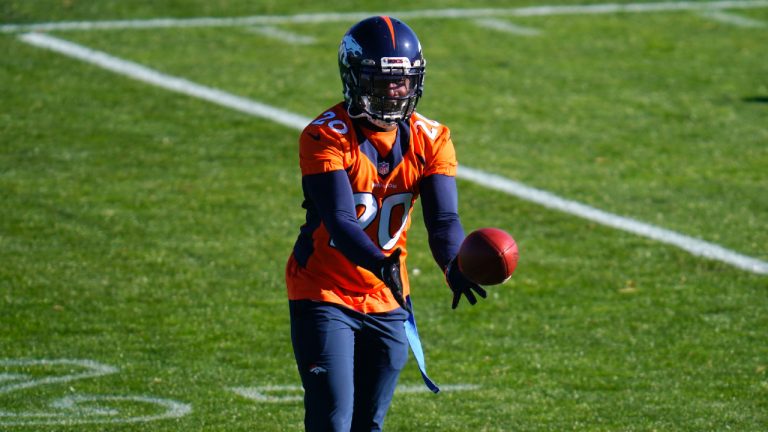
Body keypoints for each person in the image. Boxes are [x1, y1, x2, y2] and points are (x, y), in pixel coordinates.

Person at [285, 15, 486, 431]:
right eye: (382, 81)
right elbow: (341, 221)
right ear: (354, 78)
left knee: (369, 424)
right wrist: (381, 262)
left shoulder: (433, 137)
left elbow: (445, 219)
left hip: (387, 296)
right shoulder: (326, 135)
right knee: (332, 419)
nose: (395, 92)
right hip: (325, 289)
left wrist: (454, 264)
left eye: (403, 81)